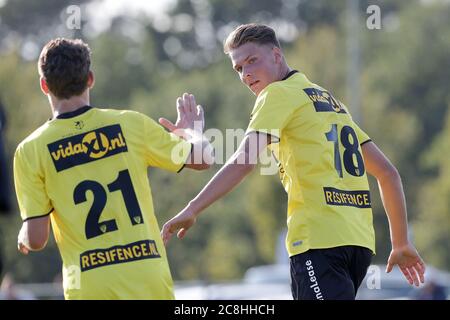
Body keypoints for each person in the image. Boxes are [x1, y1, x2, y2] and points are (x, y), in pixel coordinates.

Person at [162, 24, 426, 300]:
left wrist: (192, 208)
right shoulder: (328, 100)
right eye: (239, 69)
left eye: (252, 61)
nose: (246, 73)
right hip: (357, 244)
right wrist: (400, 242)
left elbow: (244, 162)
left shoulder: (276, 94)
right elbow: (387, 173)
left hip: (318, 242)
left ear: (277, 55)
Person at [13, 38, 213, 300]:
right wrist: (190, 133)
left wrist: (23, 235)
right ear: (90, 79)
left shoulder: (30, 150)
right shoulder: (131, 124)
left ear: (43, 85)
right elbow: (205, 158)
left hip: (89, 286)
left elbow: (36, 239)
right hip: (147, 277)